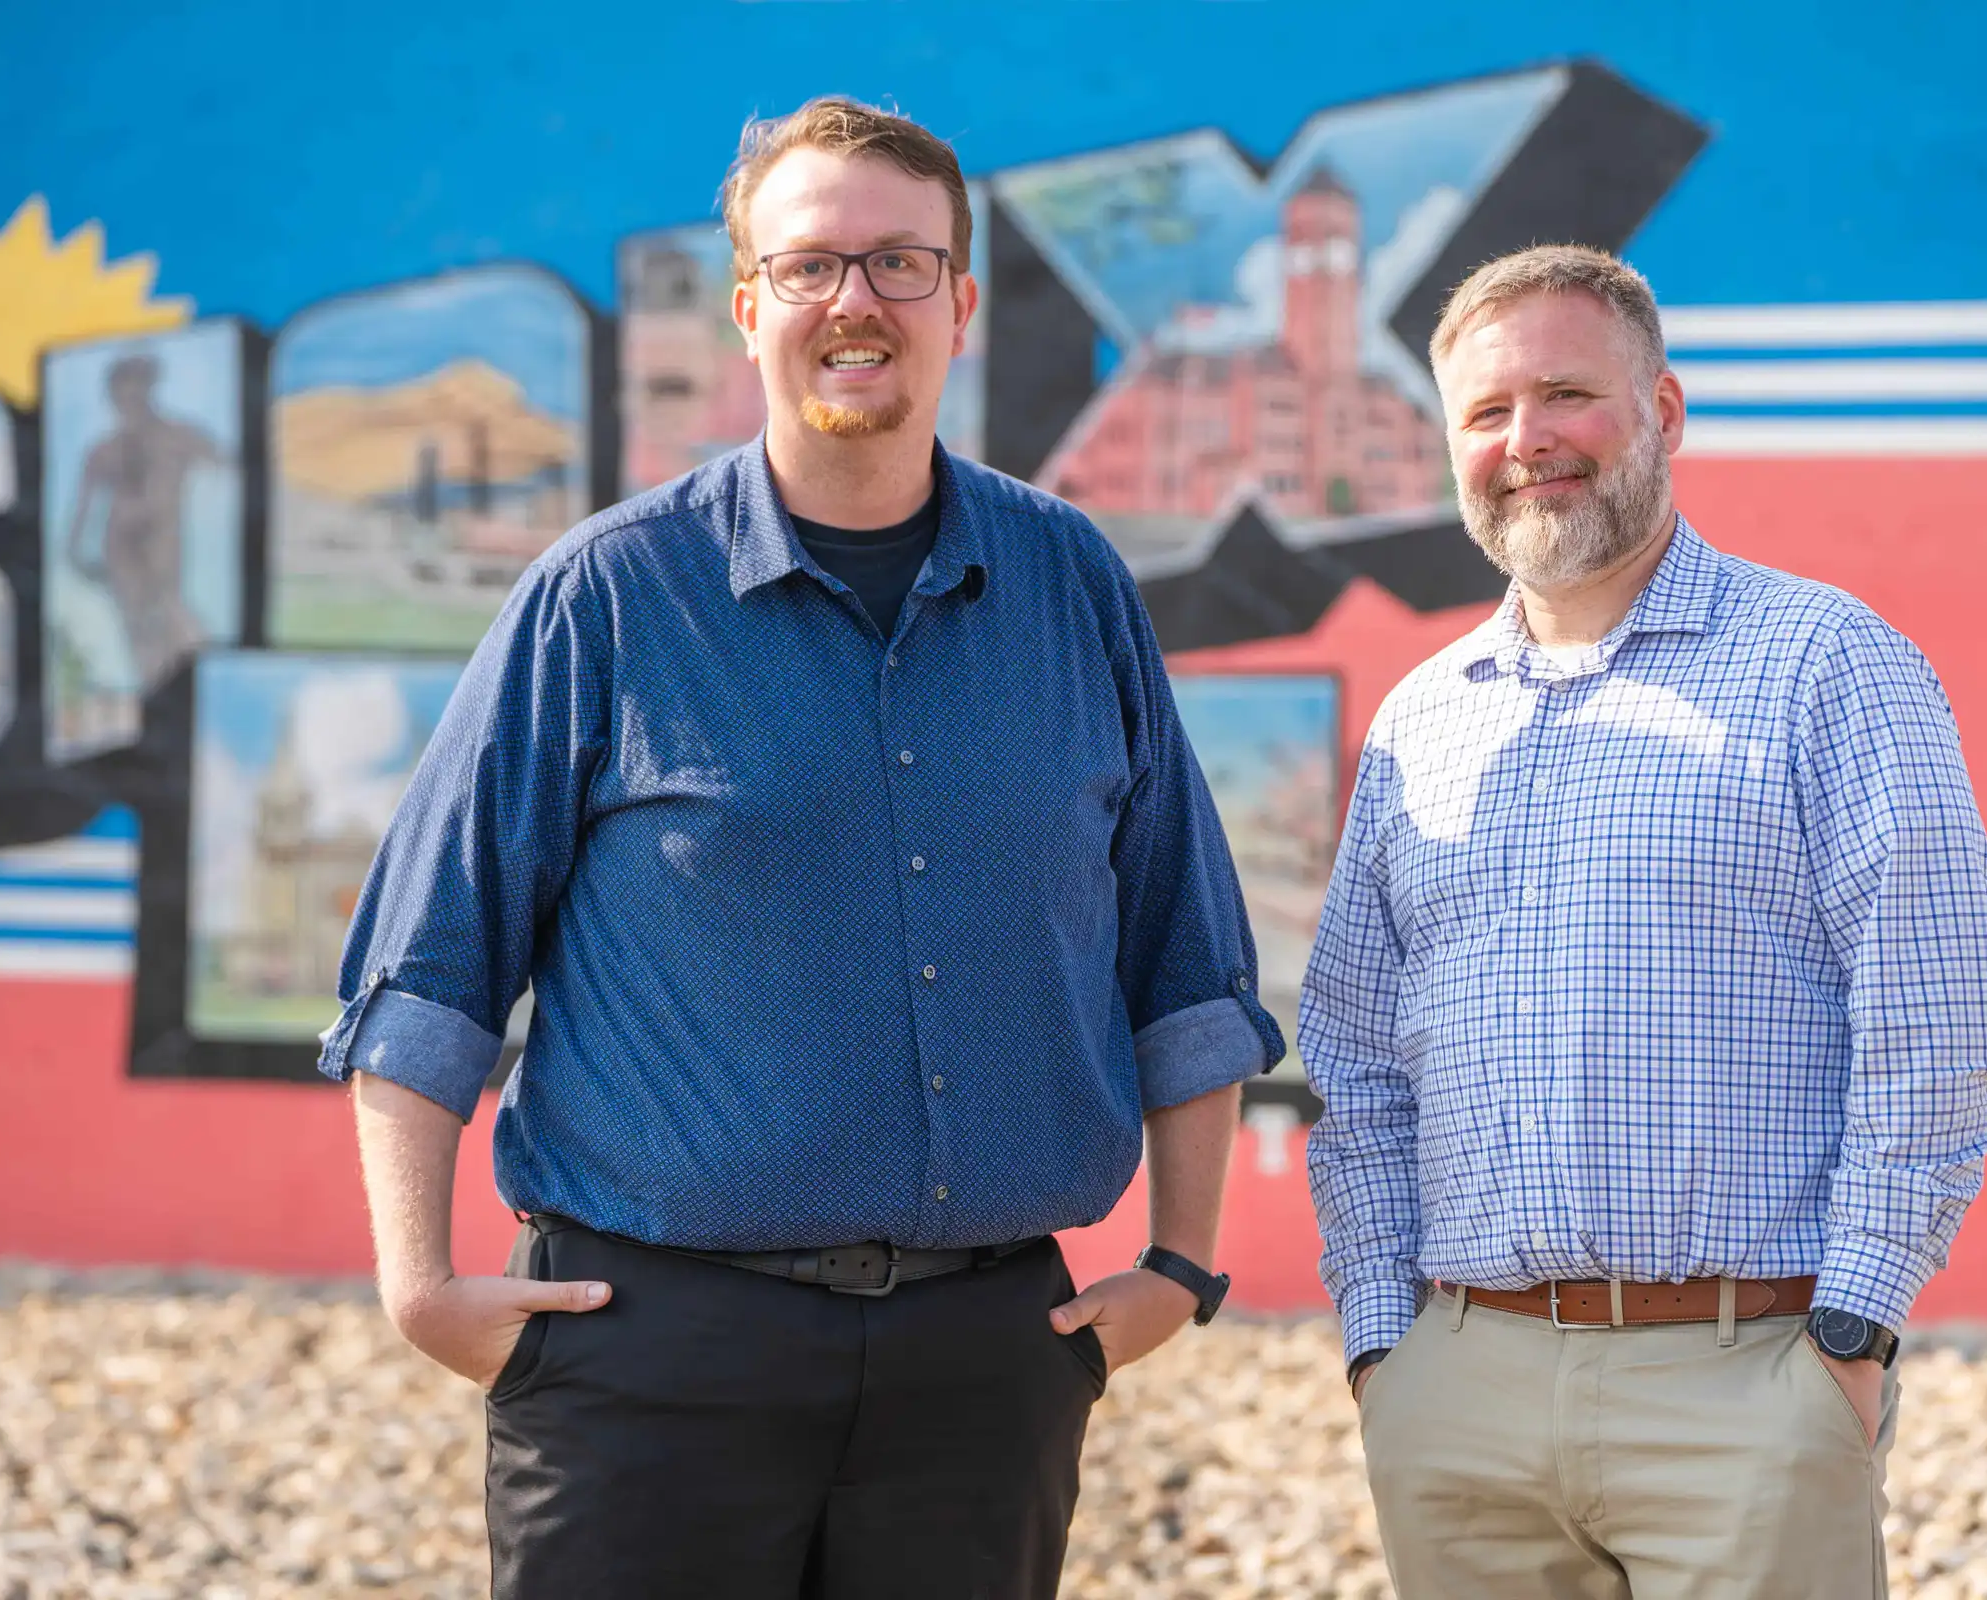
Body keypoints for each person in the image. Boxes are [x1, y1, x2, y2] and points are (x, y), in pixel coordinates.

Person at [320, 96, 1280, 1600]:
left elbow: (1183, 948)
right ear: (748, 303)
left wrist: (1182, 1262)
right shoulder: (608, 598)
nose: (857, 302)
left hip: (987, 1366)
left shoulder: (1073, 585)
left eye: (902, 264)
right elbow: (428, 959)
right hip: (650, 1359)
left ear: (961, 303)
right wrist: (418, 1283)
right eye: (813, 264)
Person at [1302, 244, 1987, 1598]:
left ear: (1664, 410)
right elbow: (1352, 1062)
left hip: (1745, 1383)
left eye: (1566, 393)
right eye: (1485, 412)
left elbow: (1941, 1022)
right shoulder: (1419, 720)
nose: (1527, 442)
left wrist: (1850, 1338)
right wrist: (1383, 1351)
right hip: (1460, 1397)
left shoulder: (1829, 665)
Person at [67, 352, 219, 690]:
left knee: (172, 611)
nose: (128, 402)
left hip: (162, 540)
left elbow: (227, 468)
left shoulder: (179, 437)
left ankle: (196, 684)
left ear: (150, 390)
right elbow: (83, 513)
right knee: (140, 629)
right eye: (121, 395)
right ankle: (158, 699)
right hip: (120, 548)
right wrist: (79, 556)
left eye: (137, 391)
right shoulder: (102, 451)